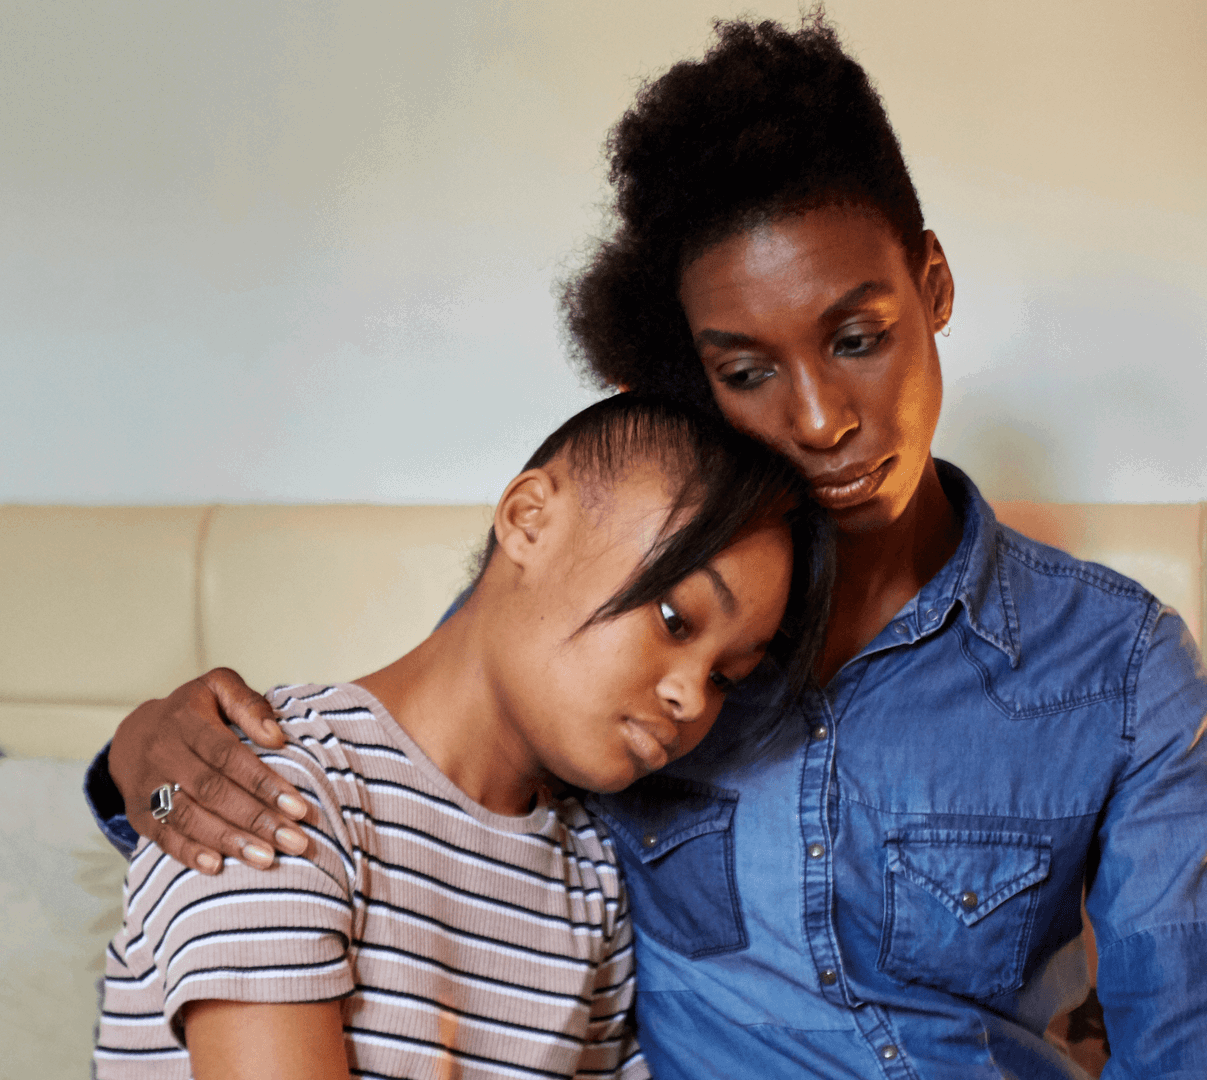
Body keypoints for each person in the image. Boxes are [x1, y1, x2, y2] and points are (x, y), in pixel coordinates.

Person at [82, 14, 1207, 1078]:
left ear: (934, 285)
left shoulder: (1117, 665)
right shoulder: (599, 632)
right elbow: (418, 765)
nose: (819, 419)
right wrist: (143, 755)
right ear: (691, 380)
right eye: (748, 371)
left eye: (859, 338)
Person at [94, 394, 835, 1080]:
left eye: (726, 678)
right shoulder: (262, 789)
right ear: (528, 519)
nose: (689, 695)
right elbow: (159, 801)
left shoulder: (594, 881)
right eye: (676, 619)